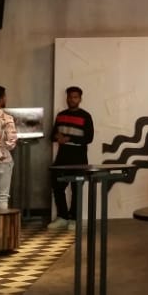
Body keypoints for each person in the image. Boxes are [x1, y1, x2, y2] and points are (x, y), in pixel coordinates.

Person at [49, 86, 95, 230]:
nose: (72, 100)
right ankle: (62, 217)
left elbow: (89, 138)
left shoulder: (85, 116)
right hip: (62, 157)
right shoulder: (60, 115)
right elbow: (52, 135)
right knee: (57, 186)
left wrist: (69, 138)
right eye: (70, 97)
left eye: (75, 97)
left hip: (79, 157)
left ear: (80, 99)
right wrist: (57, 137)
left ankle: (75, 219)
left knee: (76, 188)